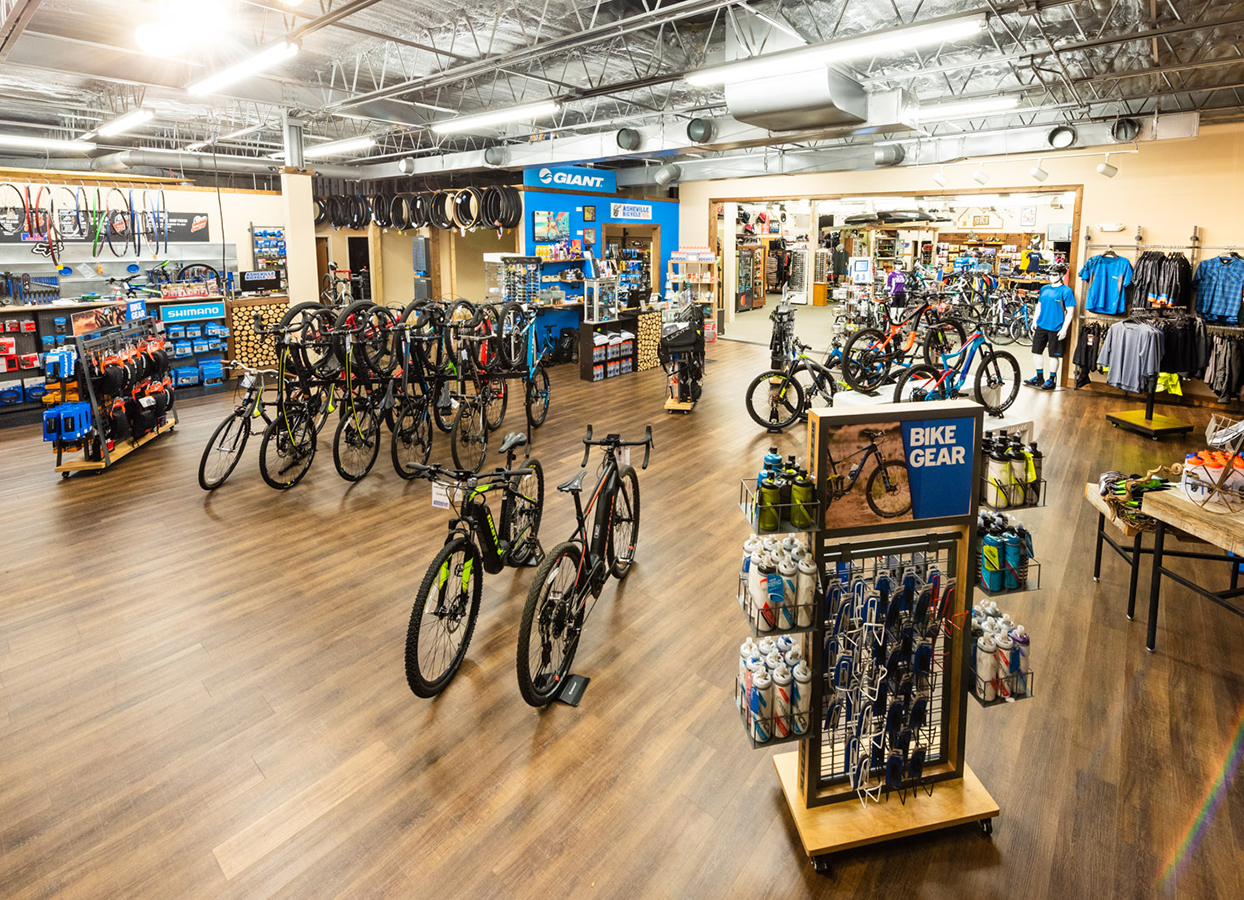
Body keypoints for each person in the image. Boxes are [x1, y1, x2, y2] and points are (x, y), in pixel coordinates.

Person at [1026, 267, 1076, 391]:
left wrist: (1064, 329)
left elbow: (1070, 312)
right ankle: (1039, 377)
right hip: (1041, 325)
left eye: (1055, 274)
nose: (1052, 276)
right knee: (1036, 352)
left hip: (1056, 327)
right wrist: (1034, 320)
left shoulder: (1066, 291)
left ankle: (1051, 379)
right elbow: (1039, 305)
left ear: (1061, 275)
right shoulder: (1044, 289)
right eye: (1050, 274)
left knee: (1053, 355)